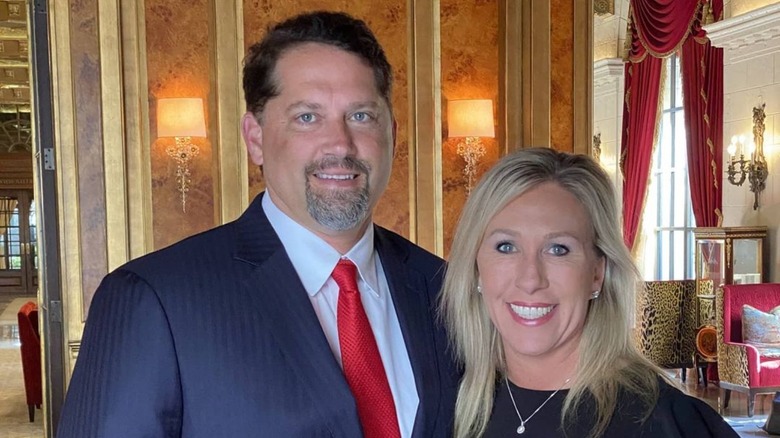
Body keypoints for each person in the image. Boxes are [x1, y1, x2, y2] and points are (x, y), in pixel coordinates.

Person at [58, 11, 458, 438]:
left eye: (361, 116)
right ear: (255, 137)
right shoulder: (155, 299)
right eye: (308, 117)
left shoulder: (442, 288)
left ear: (392, 136)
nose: (340, 143)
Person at [440, 148, 737, 437]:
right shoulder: (449, 407)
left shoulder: (664, 419)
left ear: (597, 273)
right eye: (506, 246)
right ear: (476, 266)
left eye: (558, 249)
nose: (530, 279)